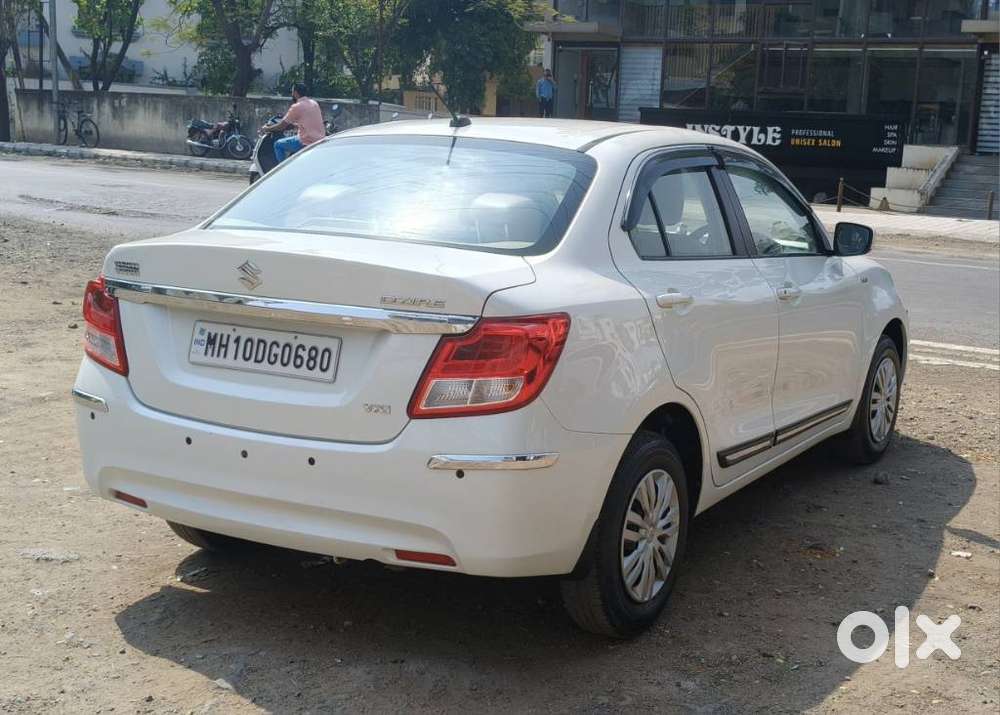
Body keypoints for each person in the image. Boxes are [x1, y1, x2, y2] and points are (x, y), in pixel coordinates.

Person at [263, 82, 326, 163]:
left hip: (306, 141)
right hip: (320, 139)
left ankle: (282, 171)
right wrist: (296, 125)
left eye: (292, 91)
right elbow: (308, 121)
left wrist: (267, 128)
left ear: (295, 93)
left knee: (278, 144)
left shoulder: (296, 107)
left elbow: (282, 126)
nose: (291, 93)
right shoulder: (314, 103)